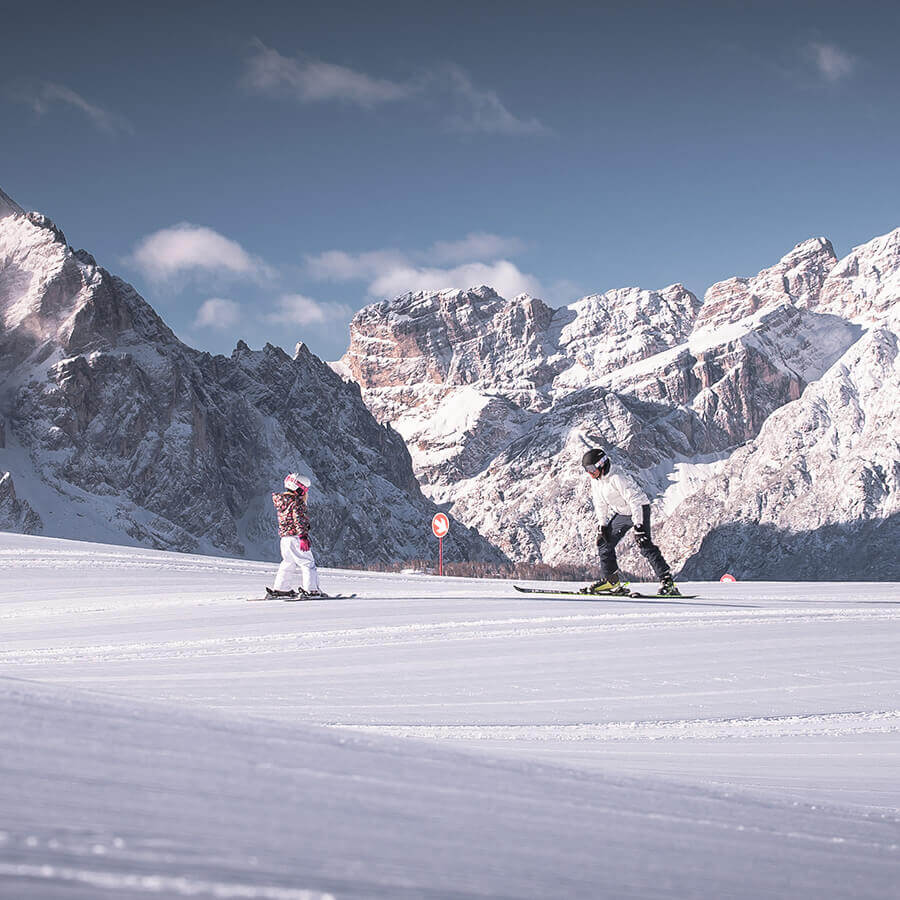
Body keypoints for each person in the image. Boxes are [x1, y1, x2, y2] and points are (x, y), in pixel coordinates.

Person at [581, 448, 680, 596]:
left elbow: (635, 501)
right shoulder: (597, 480)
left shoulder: (617, 477)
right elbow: (600, 502)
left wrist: (639, 525)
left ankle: (668, 583)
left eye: (591, 468)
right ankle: (611, 582)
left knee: (644, 544)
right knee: (604, 542)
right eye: (586, 469)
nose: (589, 472)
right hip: (622, 513)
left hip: (639, 508)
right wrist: (602, 525)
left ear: (601, 464)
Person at [267, 472, 323, 598]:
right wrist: (303, 536)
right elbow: (299, 520)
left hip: (285, 539)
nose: (305, 492)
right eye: (304, 489)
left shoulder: (282, 501)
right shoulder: (297, 502)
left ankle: (281, 589)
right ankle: (312, 590)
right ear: (298, 488)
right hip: (296, 537)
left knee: (288, 563)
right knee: (308, 563)